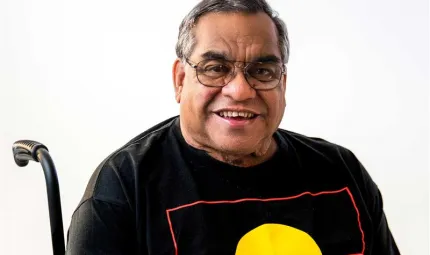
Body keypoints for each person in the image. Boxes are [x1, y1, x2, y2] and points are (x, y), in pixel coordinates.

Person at [65, 0, 400, 254]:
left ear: (282, 84)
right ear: (180, 80)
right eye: (215, 68)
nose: (240, 90)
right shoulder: (124, 190)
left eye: (262, 71)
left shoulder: (341, 173)